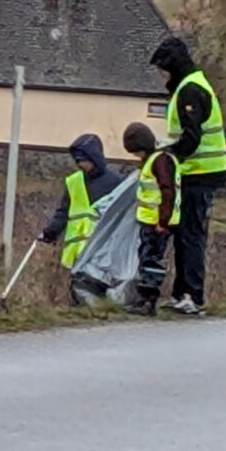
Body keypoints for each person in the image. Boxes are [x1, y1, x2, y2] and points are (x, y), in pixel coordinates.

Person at [150, 38, 226, 315]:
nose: (163, 75)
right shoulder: (190, 85)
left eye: (164, 68)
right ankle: (181, 293)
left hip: (201, 173)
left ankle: (192, 296)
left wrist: (170, 155)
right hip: (195, 173)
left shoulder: (191, 91)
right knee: (185, 233)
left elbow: (192, 138)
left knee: (192, 235)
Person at [38, 134, 122, 291]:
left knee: (97, 289)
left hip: (102, 250)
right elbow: (63, 212)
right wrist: (50, 232)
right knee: (78, 290)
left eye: (82, 160)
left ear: (94, 158)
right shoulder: (74, 182)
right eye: (77, 161)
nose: (80, 164)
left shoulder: (115, 183)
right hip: (77, 253)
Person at [121, 123, 180, 316]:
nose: (136, 156)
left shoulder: (160, 161)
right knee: (146, 258)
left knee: (151, 260)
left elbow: (167, 190)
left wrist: (162, 221)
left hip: (158, 222)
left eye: (136, 151)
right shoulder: (158, 159)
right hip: (152, 221)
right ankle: (144, 299)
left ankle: (148, 302)